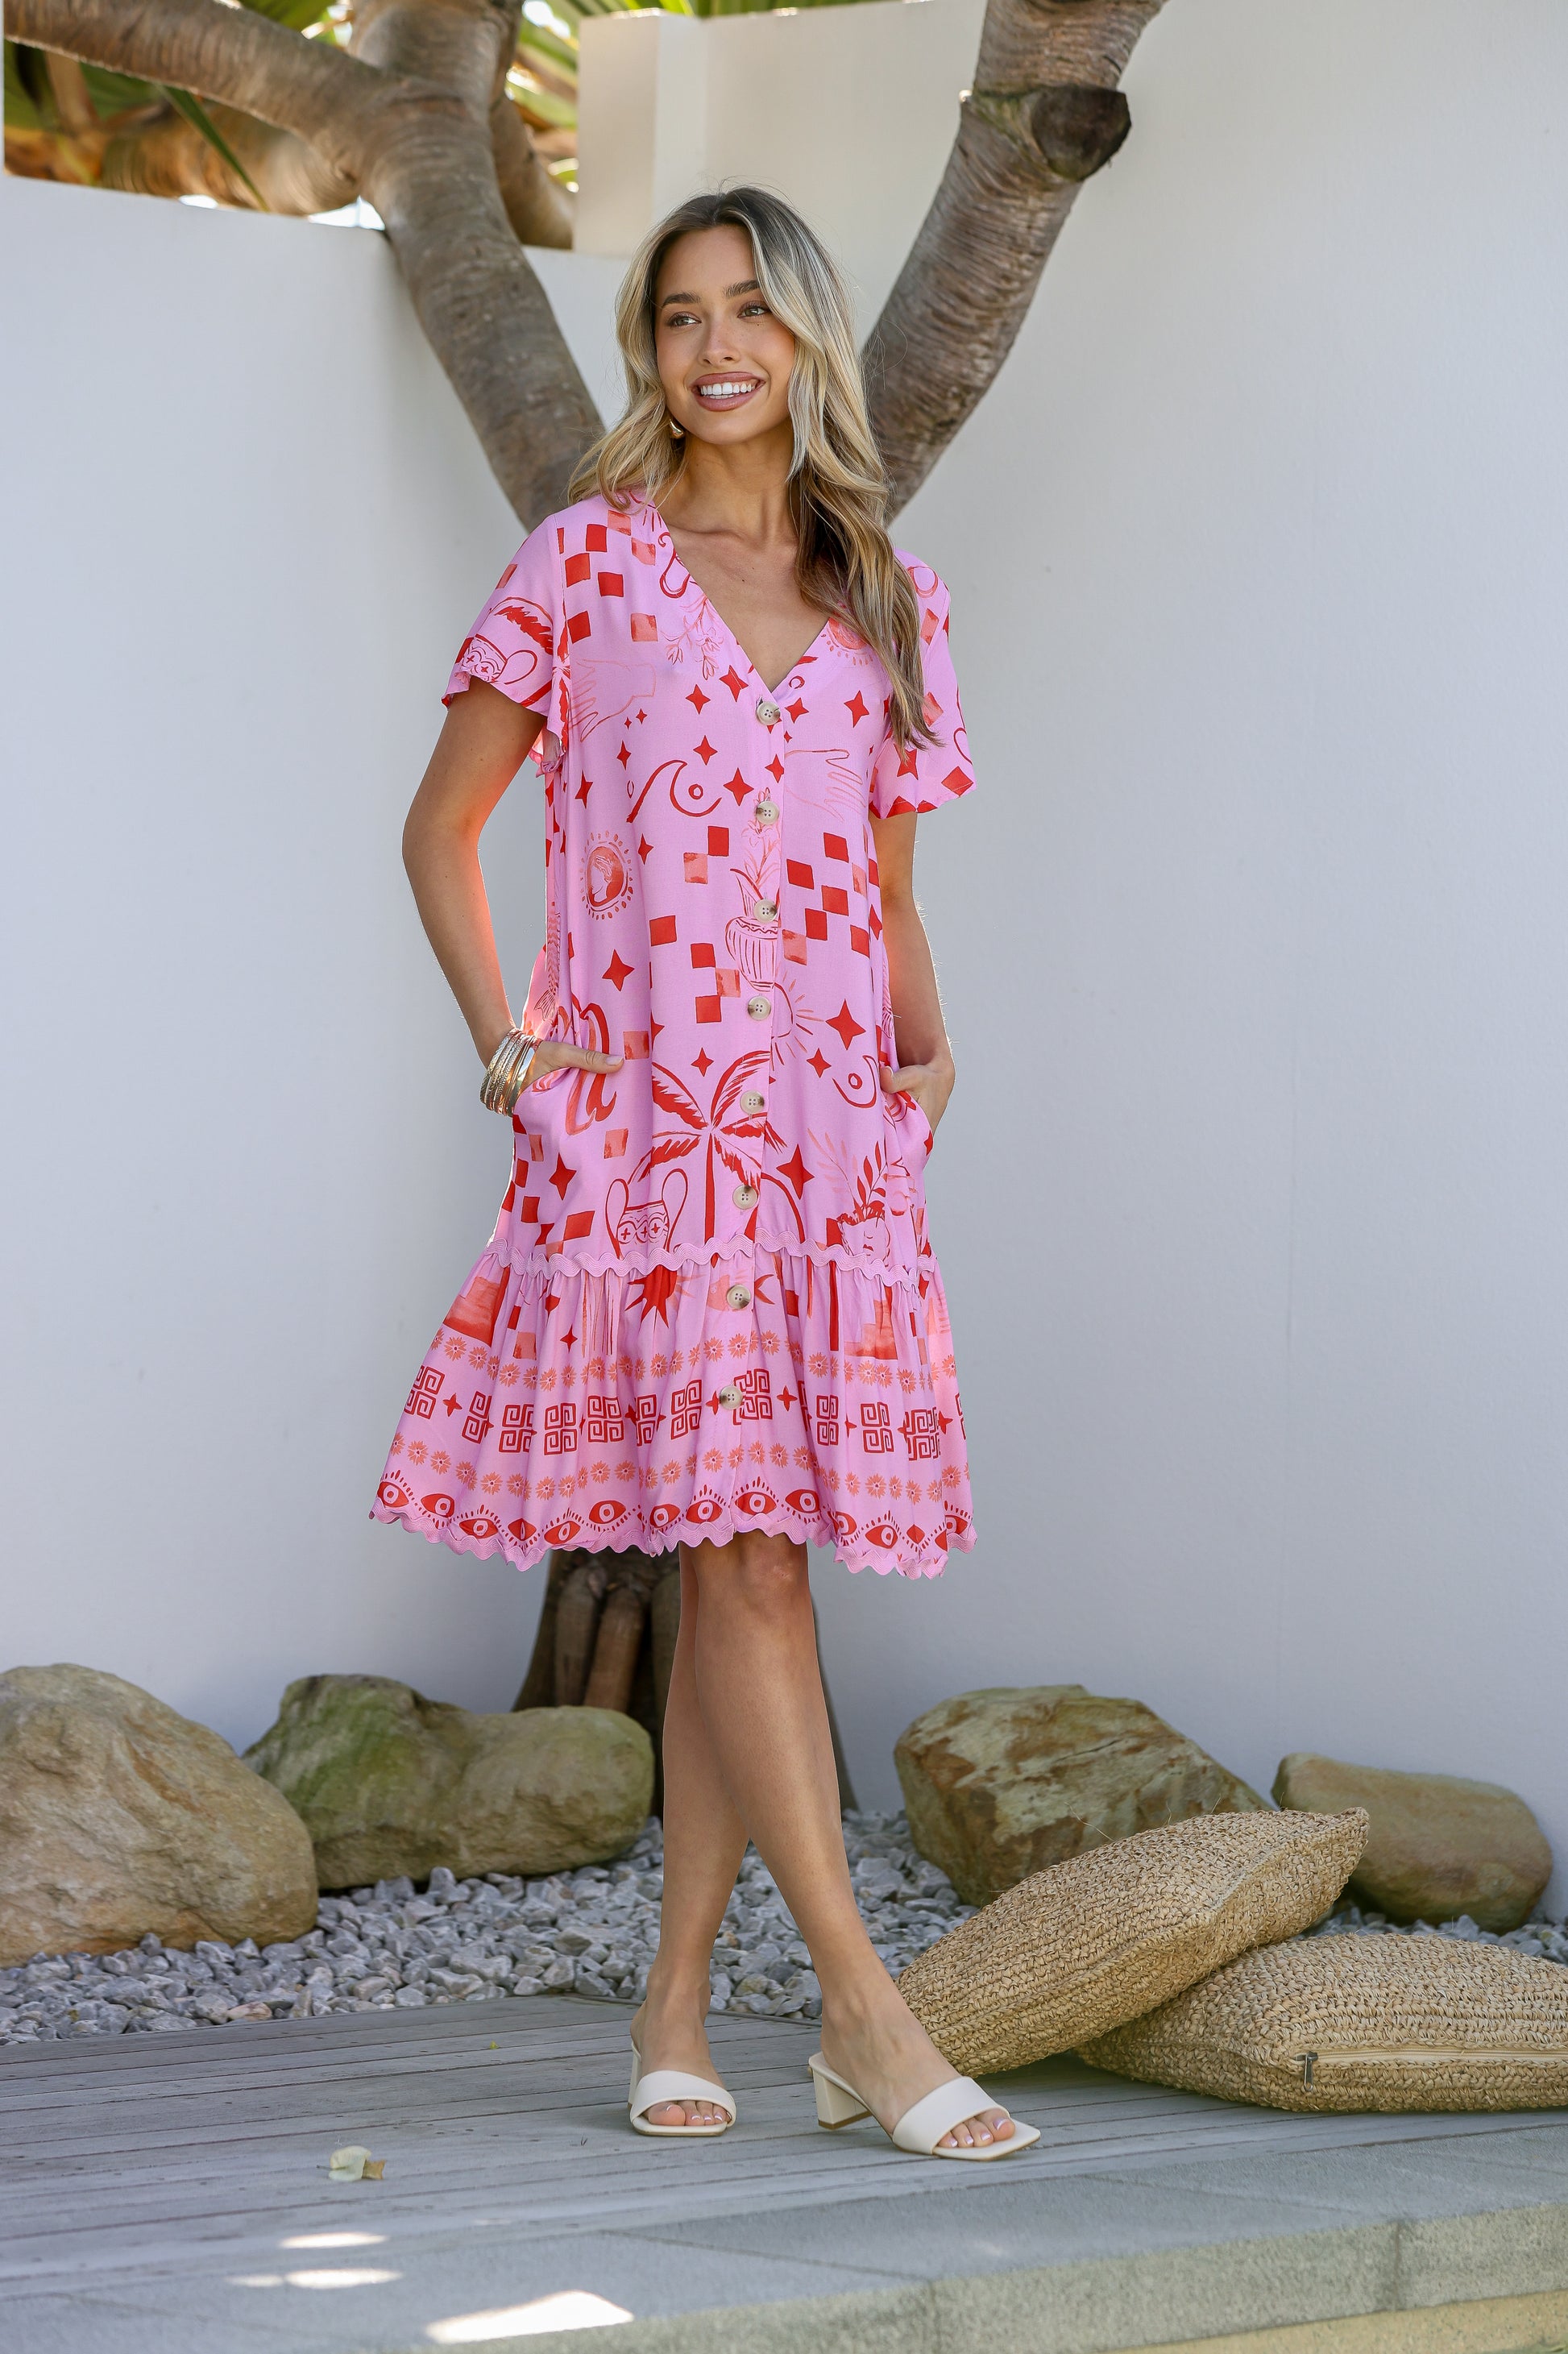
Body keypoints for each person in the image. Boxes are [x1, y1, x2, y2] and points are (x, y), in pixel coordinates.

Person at [375, 186, 1036, 2162]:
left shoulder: (888, 598)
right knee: (744, 1560)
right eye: (676, 317)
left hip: (834, 1143)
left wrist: (930, 1044)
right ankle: (864, 2013)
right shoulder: (581, 565)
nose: (712, 346)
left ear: (807, 338)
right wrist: (519, 1061)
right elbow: (440, 833)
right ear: (648, 352)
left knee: (754, 1560)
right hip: (650, 1138)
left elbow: (886, 881)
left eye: (749, 310)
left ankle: (672, 2008)